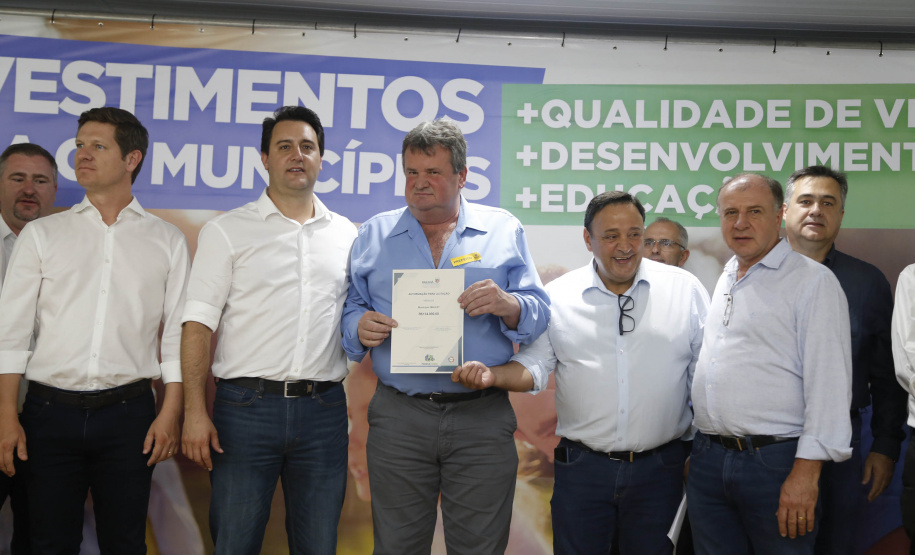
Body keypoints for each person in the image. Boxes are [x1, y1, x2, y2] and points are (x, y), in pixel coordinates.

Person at [453, 191, 709, 554]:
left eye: (634, 234)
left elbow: (704, 375)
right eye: (611, 236)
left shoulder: (684, 290)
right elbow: (535, 365)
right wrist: (492, 376)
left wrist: (701, 452)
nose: (625, 246)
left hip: (662, 470)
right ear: (588, 239)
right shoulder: (558, 294)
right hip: (583, 470)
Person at [342, 118, 550, 554]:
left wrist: (508, 304)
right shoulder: (373, 234)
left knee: (479, 548)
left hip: (481, 416)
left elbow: (537, 314)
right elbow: (351, 310)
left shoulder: (503, 230)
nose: (419, 182)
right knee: (396, 547)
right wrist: (358, 327)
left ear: (462, 175)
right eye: (411, 172)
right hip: (399, 416)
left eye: (433, 172)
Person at [0, 107, 188, 554]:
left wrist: (171, 411)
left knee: (125, 543)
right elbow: (11, 334)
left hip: (130, 416)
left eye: (98, 146)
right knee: (48, 543)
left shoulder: (167, 239)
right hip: (48, 414)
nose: (82, 154)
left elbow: (177, 338)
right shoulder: (43, 234)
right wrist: (6, 416)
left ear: (131, 159)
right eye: (80, 144)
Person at [181, 106, 355, 555]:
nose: (297, 155)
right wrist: (195, 411)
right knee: (235, 543)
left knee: (318, 546)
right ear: (264, 158)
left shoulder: (347, 236)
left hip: (323, 411)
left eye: (307, 147)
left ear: (321, 159)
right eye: (284, 146)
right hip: (245, 410)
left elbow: (355, 317)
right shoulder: (226, 231)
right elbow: (197, 325)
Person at [687, 173, 853, 555]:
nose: (740, 223)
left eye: (754, 212)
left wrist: (806, 472)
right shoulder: (727, 275)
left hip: (775, 463)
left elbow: (829, 386)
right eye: (730, 213)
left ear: (779, 215)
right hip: (709, 458)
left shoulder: (813, 282)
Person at [783, 165, 906, 555]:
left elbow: (887, 375)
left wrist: (885, 446)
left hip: (841, 445)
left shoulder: (867, 282)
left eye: (827, 202)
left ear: (841, 214)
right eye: (805, 201)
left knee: (832, 544)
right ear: (784, 210)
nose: (816, 210)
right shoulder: (752, 274)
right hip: (768, 444)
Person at [0, 143, 57, 555]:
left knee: (40, 536)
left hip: (48, 420)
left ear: (54, 190)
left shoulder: (74, 248)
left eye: (40, 180)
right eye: (17, 178)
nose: (29, 189)